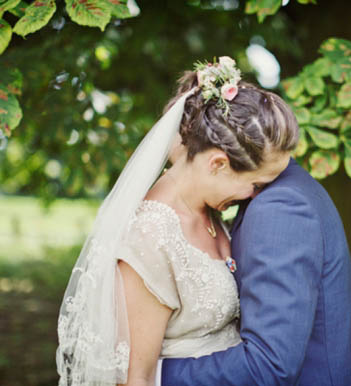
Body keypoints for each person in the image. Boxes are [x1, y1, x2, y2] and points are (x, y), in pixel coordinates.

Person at [55, 56, 299, 386]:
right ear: (217, 164)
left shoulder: (211, 213)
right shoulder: (150, 237)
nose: (257, 197)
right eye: (256, 184)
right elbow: (133, 380)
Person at [159, 94, 351, 386]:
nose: (250, 193)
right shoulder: (292, 187)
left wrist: (152, 375)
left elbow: (269, 364)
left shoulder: (280, 206)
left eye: (257, 185)